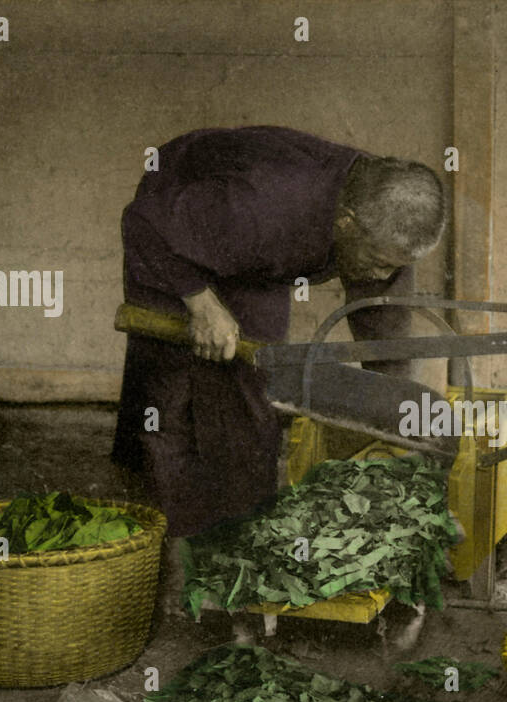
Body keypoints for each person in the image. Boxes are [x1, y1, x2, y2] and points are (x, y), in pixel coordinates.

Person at [112, 126, 446, 541]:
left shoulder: (388, 220)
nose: (383, 275)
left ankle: (240, 542)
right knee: (171, 401)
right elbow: (143, 222)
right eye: (378, 262)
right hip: (174, 232)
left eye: (394, 267)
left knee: (253, 390)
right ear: (346, 223)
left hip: (254, 246)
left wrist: (398, 422)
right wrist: (200, 302)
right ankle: (167, 549)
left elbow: (386, 336)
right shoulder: (262, 205)